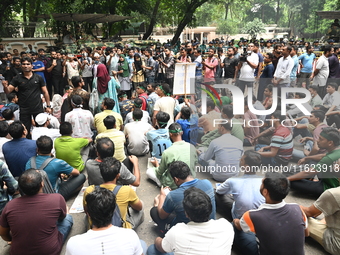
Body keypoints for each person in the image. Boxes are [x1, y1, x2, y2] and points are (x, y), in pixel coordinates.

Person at [0, 169, 73, 255]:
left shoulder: (10, 206)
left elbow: (3, 233)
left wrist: (12, 239)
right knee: (68, 217)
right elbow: (61, 217)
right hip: (49, 251)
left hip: (18, 252)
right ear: (42, 184)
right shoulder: (57, 198)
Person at [234, 173, 308, 255]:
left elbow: (239, 226)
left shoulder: (252, 215)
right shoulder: (297, 208)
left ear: (265, 192)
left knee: (236, 228)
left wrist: (235, 220)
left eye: (262, 183)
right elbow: (306, 233)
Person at [147, 187, 234, 255]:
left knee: (152, 249)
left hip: (169, 239)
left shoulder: (177, 231)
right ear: (210, 208)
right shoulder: (226, 226)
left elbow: (160, 247)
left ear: (186, 214)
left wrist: (157, 239)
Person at [66, 187, 146, 255]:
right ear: (114, 211)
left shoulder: (73, 243)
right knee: (142, 244)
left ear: (88, 214)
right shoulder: (130, 235)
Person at [215, 151, 265, 255]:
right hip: (261, 219)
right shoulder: (264, 181)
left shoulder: (233, 181)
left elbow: (219, 191)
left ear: (246, 166)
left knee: (215, 193)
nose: (239, 161)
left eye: (241, 160)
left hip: (240, 220)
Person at [150, 161, 216, 235]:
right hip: (208, 224)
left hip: (188, 231)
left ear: (176, 179)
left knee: (154, 211)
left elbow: (162, 216)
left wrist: (162, 196)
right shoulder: (208, 183)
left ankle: (165, 229)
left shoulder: (173, 196)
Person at [83, 157, 144, 229]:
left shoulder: (89, 190)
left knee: (85, 217)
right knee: (141, 205)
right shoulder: (127, 190)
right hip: (119, 229)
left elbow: (86, 211)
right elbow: (139, 208)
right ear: (118, 175)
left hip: (96, 225)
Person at [25, 135, 85, 200]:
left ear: (37, 149)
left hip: (33, 195)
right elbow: (76, 172)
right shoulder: (57, 162)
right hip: (53, 195)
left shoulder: (30, 161)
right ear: (52, 148)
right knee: (81, 176)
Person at [3, 57, 51, 137]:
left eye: (28, 64)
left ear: (32, 66)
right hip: (24, 108)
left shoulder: (38, 78)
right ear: (21, 66)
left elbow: (45, 91)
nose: (26, 66)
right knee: (25, 129)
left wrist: (48, 105)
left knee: (41, 129)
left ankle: (41, 146)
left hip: (37, 107)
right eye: (24, 64)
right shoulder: (17, 78)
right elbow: (8, 91)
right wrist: (5, 86)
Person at [288, 127, 340, 197]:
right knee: (313, 162)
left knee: (293, 182)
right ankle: (312, 181)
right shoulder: (337, 149)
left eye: (321, 139)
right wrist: (307, 158)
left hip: (328, 188)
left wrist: (286, 179)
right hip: (331, 180)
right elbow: (322, 156)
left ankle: (313, 183)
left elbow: (308, 172)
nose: (317, 141)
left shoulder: (329, 158)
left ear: (330, 143)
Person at [147, 123, 197, 190]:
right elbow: (195, 163)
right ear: (182, 133)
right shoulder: (192, 147)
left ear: (170, 134)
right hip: (190, 179)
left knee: (149, 171)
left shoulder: (167, 152)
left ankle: (164, 185)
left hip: (174, 184)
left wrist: (156, 164)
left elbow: (159, 172)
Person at [301, 187, 340, 255]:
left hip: (336, 244)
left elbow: (309, 212)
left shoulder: (334, 193)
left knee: (298, 216)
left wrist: (293, 206)